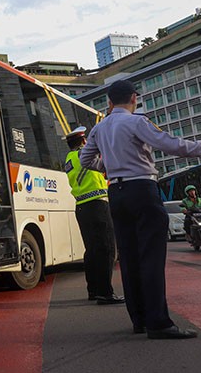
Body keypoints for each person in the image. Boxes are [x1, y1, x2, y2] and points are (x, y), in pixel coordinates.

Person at [80, 79, 201, 340]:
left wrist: (109, 167)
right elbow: (171, 145)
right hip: (142, 189)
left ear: (109, 102)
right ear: (134, 98)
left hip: (116, 194)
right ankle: (159, 323)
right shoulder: (137, 122)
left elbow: (86, 159)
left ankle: (139, 320)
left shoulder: (99, 129)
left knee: (129, 258)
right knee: (151, 257)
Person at [63, 126, 123, 305]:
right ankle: (105, 293)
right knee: (107, 249)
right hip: (97, 204)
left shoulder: (69, 158)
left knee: (92, 250)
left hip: (81, 207)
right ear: (83, 141)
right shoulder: (84, 154)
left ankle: (94, 290)